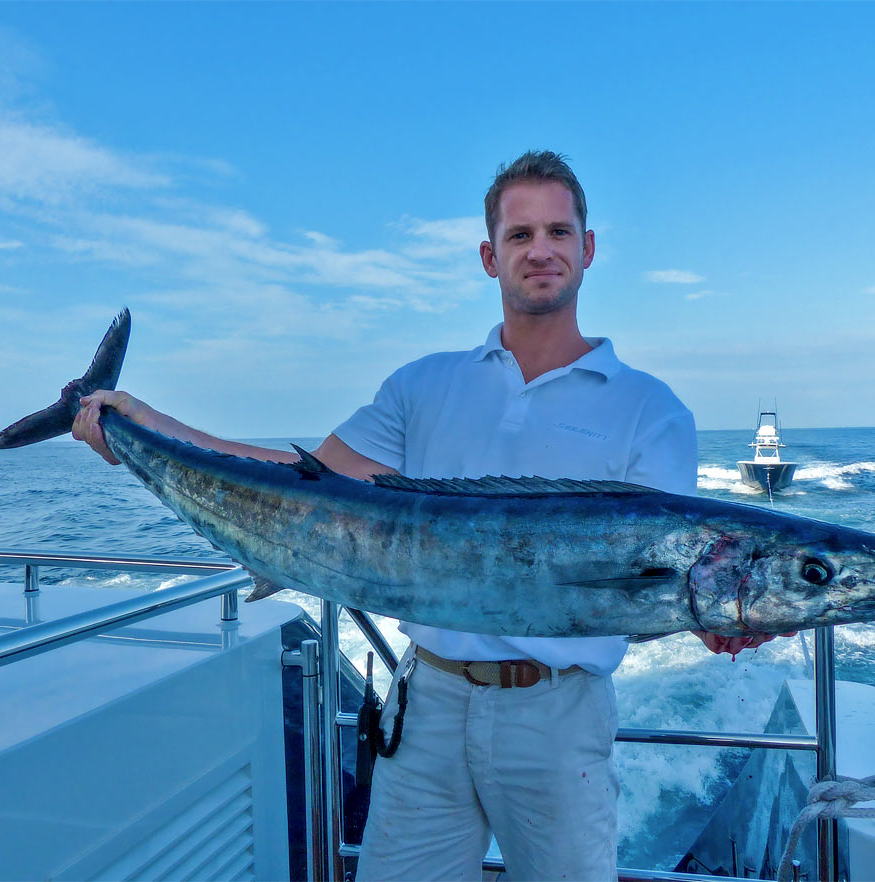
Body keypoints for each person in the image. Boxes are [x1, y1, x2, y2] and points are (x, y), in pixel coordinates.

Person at [73, 151, 771, 880]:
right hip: (427, 701)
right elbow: (302, 482)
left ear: (588, 248)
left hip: (557, 717)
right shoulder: (423, 385)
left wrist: (721, 619)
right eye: (519, 234)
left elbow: (672, 577)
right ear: (488, 256)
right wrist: (140, 424)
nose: (541, 251)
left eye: (559, 232)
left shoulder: (650, 410)